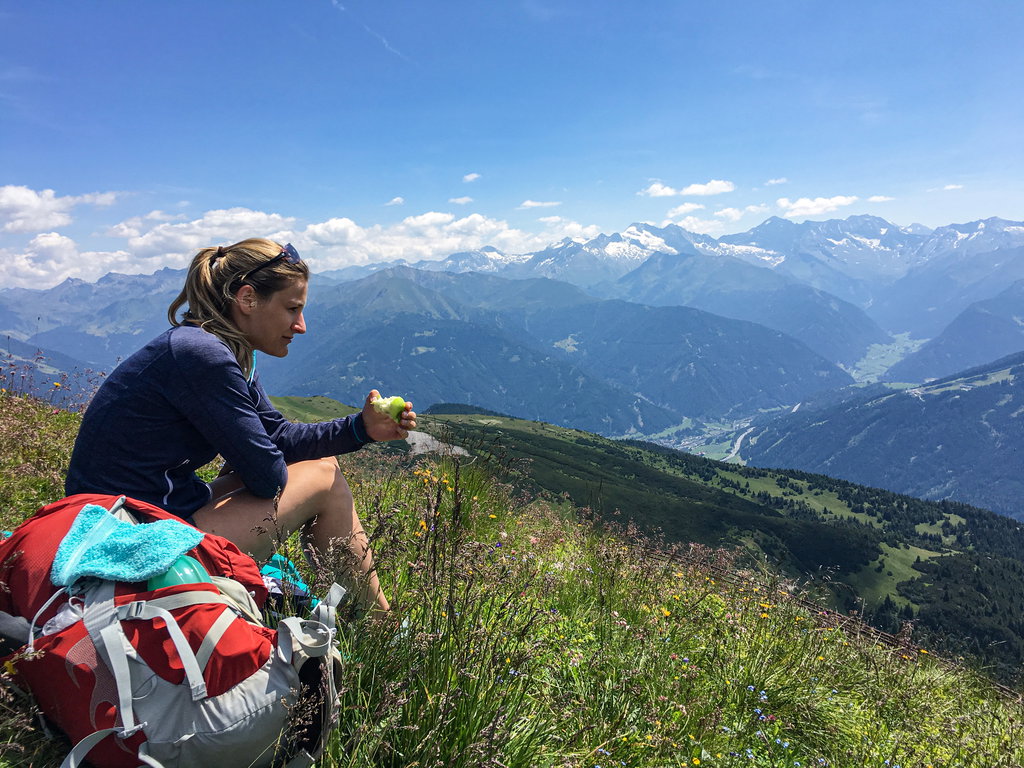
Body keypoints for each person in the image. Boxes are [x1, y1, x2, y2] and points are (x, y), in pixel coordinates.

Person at [65, 238, 414, 616]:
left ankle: (371, 618)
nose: (301, 326)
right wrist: (250, 458)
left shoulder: (222, 350)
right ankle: (380, 626)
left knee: (320, 467)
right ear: (247, 299)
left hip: (146, 517)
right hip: (130, 542)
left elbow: (277, 437)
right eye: (292, 309)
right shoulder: (203, 357)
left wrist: (361, 428)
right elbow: (267, 476)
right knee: (324, 478)